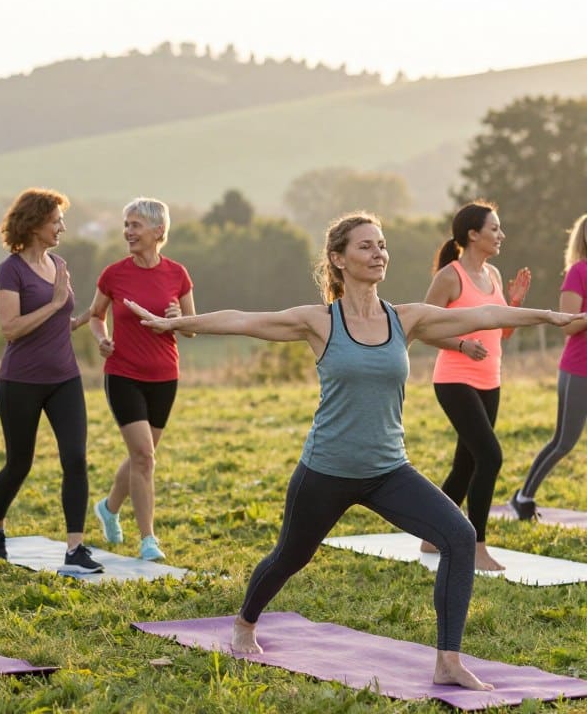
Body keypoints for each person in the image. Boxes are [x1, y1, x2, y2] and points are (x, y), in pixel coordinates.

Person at [126, 211, 583, 691]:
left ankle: (448, 659)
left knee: (459, 536)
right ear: (338, 260)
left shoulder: (405, 318)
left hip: (388, 470)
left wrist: (550, 317)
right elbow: (244, 320)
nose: (378, 253)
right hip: (326, 470)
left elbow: (487, 315)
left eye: (381, 245)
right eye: (365, 246)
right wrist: (170, 323)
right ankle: (245, 621)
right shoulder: (318, 322)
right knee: (289, 556)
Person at [0, 188, 103, 573]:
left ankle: (75, 547)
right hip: (21, 381)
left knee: (76, 458)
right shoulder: (11, 270)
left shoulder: (59, 263)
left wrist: (77, 320)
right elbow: (11, 329)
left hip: (64, 377)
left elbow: (55, 322)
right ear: (34, 224)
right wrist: (53, 304)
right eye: (55, 221)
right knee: (19, 463)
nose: (62, 228)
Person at [418, 201, 530, 571]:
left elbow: (503, 333)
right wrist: (462, 344)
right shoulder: (450, 277)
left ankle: (433, 533)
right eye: (494, 228)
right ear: (472, 234)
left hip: (490, 379)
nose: (501, 235)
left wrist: (513, 303)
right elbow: (424, 328)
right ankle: (476, 546)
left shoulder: (494, 275)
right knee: (490, 457)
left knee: (466, 463)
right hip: (454, 378)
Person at [88, 197, 195, 562]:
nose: (127, 232)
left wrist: (177, 315)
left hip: (165, 376)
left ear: (158, 231)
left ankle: (108, 507)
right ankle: (149, 540)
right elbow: (95, 315)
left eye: (135, 225)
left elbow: (192, 327)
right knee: (145, 457)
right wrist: (102, 339)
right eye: (127, 225)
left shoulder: (177, 274)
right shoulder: (114, 274)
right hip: (123, 373)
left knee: (141, 456)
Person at [510, 213, 587, 519]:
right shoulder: (577, 273)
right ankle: (523, 498)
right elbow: (567, 325)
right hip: (578, 370)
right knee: (564, 441)